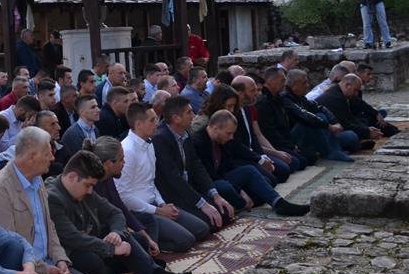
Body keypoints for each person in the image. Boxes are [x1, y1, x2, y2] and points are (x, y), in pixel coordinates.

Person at [0, 127, 99, 274]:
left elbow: (48, 226)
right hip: (22, 269)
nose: (52, 158)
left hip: (46, 263)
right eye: (47, 153)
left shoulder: (37, 180)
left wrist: (60, 259)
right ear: (32, 156)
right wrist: (45, 270)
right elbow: (8, 246)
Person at [46, 151, 191, 274]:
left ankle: (153, 273)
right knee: (94, 264)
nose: (90, 191)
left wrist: (116, 233)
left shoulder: (83, 189)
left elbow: (115, 213)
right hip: (73, 250)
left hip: (93, 239)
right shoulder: (53, 197)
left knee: (138, 240)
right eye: (88, 185)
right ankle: (133, 265)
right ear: (72, 177)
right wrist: (112, 248)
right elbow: (73, 238)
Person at [115, 104, 205, 252]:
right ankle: (148, 245)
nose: (157, 123)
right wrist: (157, 211)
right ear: (138, 124)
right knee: (186, 240)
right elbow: (123, 195)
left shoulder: (149, 143)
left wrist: (162, 203)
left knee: (201, 229)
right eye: (152, 120)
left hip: (155, 205)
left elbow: (151, 181)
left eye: (156, 119)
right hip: (141, 213)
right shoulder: (127, 150)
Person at [193, 111, 310, 216]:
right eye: (228, 133)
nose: (231, 137)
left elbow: (228, 165)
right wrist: (239, 190)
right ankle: (241, 203)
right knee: (227, 188)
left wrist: (239, 187)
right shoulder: (199, 142)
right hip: (209, 183)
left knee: (250, 171)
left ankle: (279, 203)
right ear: (215, 128)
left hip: (222, 177)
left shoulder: (221, 138)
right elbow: (207, 175)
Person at [150, 97, 235, 233]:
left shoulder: (186, 133)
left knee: (225, 212)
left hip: (188, 190)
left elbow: (197, 166)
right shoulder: (160, 138)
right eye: (189, 112)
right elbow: (173, 178)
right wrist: (202, 204)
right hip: (172, 196)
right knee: (208, 225)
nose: (193, 115)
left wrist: (215, 195)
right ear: (176, 118)